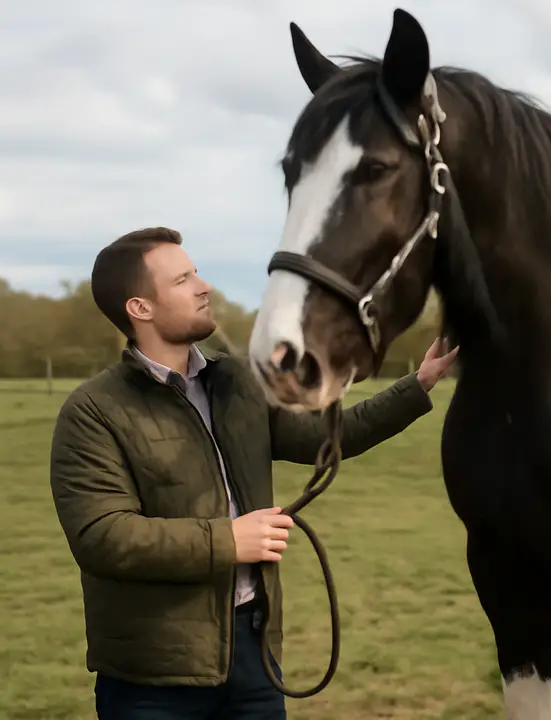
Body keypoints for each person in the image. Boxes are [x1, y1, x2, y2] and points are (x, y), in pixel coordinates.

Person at [49, 227, 458, 719]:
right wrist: (229, 540)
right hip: (152, 678)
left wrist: (419, 384)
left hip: (255, 658)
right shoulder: (93, 410)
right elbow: (102, 536)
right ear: (141, 308)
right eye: (183, 279)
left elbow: (331, 436)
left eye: (196, 273)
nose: (204, 287)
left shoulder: (238, 382)